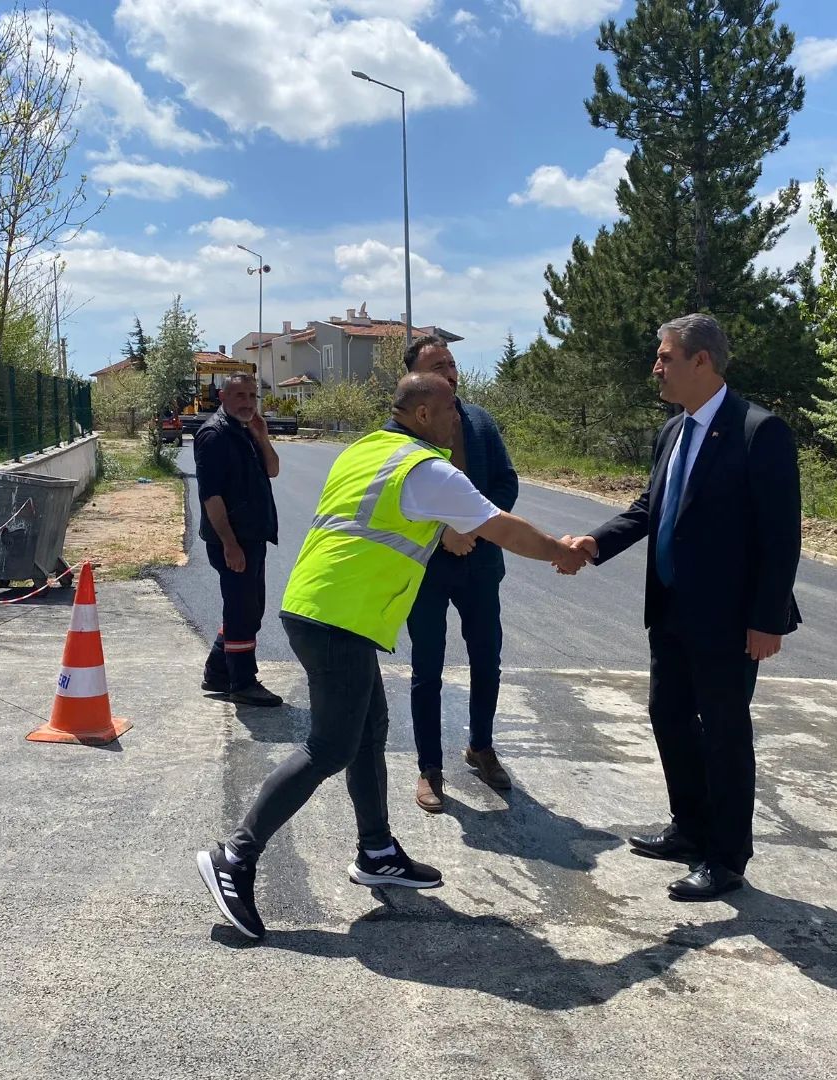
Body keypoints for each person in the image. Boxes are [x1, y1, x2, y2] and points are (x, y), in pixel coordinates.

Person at [197, 372, 588, 939]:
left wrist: (449, 532)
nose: (461, 418)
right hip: (339, 619)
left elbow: (418, 525)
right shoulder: (425, 468)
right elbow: (499, 526)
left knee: (369, 730)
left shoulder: (368, 450)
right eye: (452, 409)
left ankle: (377, 849)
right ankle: (235, 856)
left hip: (320, 607)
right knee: (329, 746)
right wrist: (559, 550)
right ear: (425, 414)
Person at [566, 313, 801, 902]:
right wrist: (596, 542)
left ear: (702, 361)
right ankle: (689, 828)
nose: (656, 367)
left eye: (666, 357)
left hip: (728, 621)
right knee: (668, 717)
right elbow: (650, 508)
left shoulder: (758, 431)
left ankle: (726, 858)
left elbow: (781, 536)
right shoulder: (672, 431)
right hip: (670, 609)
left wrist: (766, 618)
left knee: (724, 733)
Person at [403, 335, 519, 811]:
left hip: (480, 563)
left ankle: (481, 746)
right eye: (437, 365)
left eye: (452, 364)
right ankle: (429, 768)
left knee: (486, 658)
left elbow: (505, 484)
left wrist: (472, 529)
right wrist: (443, 533)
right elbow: (398, 502)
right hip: (428, 570)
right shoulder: (402, 435)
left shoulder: (480, 422)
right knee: (427, 668)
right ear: (413, 379)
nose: (450, 372)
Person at [193, 372, 282, 707]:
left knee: (249, 608)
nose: (247, 402)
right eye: (239, 396)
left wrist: (262, 437)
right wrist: (229, 543)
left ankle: (218, 672)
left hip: (252, 537)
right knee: (243, 610)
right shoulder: (214, 435)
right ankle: (243, 682)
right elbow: (211, 497)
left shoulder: (245, 430)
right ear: (222, 397)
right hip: (233, 541)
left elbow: (272, 470)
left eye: (251, 395)